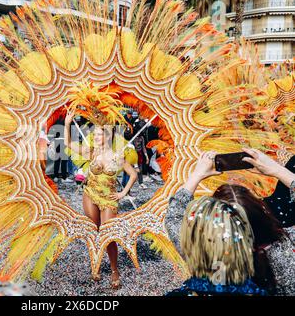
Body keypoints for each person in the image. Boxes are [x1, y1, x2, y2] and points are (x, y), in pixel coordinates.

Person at [165, 150, 295, 295]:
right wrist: (277, 170)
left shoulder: (198, 246)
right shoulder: (286, 251)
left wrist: (197, 174)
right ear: (263, 219)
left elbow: (174, 216)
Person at [63, 85, 137, 289]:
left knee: (109, 234)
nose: (96, 138)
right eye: (94, 135)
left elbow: (133, 174)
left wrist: (122, 193)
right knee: (93, 232)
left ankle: (114, 269)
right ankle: (95, 266)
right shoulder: (91, 152)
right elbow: (68, 144)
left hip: (109, 198)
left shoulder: (117, 155)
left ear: (108, 136)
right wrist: (68, 123)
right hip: (90, 194)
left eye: (99, 135)